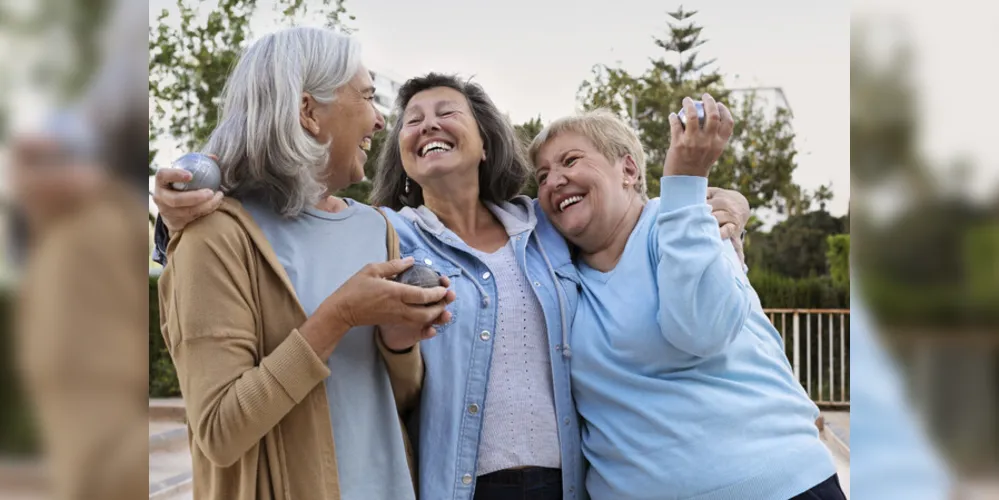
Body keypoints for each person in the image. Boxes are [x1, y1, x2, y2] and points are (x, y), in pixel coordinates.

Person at [153, 73, 752, 500]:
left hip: (567, 481)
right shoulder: (383, 232)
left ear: (484, 139)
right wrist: (176, 213)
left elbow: (634, 216)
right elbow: (285, 224)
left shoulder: (545, 225)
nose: (426, 124)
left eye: (446, 113)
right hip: (456, 485)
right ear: (405, 158)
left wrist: (724, 202)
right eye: (411, 121)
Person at [153, 27, 457, 500]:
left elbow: (395, 401)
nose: (381, 122)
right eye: (368, 97)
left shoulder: (376, 229)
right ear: (308, 111)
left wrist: (399, 345)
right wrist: (340, 316)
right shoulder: (214, 238)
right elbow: (219, 432)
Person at [527, 99, 845, 500]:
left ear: (628, 169)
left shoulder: (690, 221)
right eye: (542, 176)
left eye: (570, 160)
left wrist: (684, 183)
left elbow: (702, 330)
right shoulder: (556, 274)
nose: (554, 181)